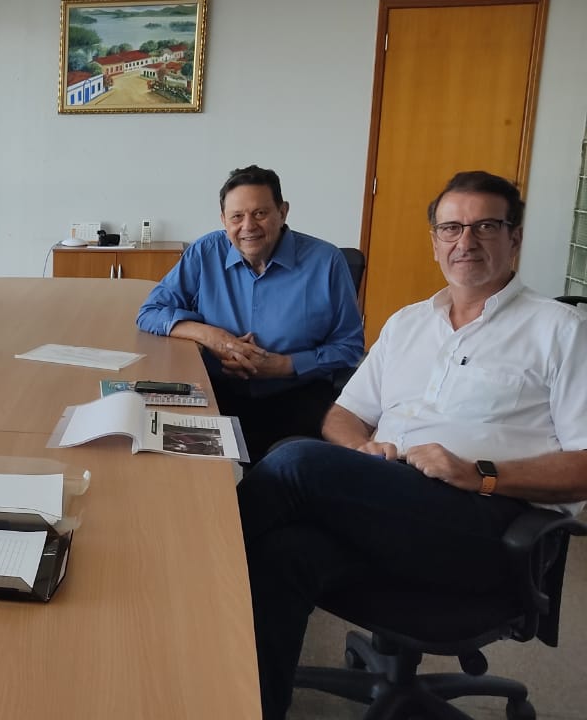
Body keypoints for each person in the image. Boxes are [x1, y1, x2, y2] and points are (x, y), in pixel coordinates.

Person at [237, 171, 587, 719]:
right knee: (283, 554)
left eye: (485, 226)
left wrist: (481, 473)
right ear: (434, 240)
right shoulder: (407, 324)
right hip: (394, 505)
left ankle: (176, 570)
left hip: (488, 525)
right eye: (451, 228)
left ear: (514, 237)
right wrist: (361, 449)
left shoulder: (561, 330)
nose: (465, 241)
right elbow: (344, 415)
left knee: (295, 459)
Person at [136, 165, 365, 462]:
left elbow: (350, 346)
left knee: (285, 472)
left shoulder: (327, 262)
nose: (248, 226)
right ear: (223, 220)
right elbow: (151, 312)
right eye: (237, 217)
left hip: (297, 395)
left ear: (282, 212)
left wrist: (285, 365)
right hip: (216, 391)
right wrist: (211, 336)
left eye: (260, 213)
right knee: (176, 461)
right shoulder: (205, 252)